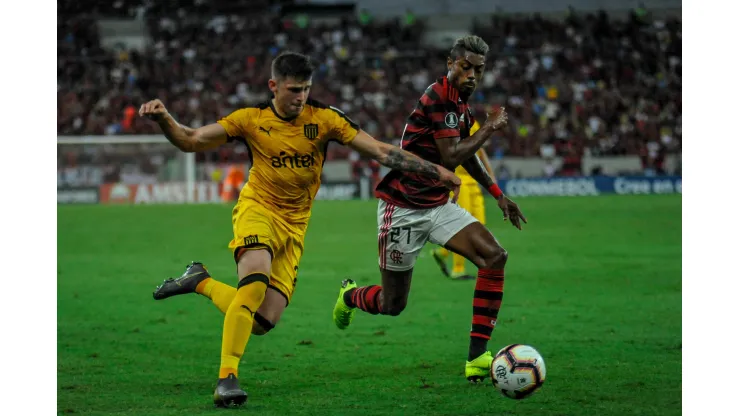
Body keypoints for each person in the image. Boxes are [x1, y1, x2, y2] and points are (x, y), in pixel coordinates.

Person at [139, 51, 461, 408]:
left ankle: (198, 280)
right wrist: (165, 119)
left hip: (295, 227)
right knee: (254, 281)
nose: (301, 96)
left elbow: (382, 151)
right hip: (257, 209)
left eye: (306, 89)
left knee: (261, 320)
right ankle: (227, 378)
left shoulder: (324, 119)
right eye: (294, 89)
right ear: (273, 86)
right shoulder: (250, 119)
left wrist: (434, 170)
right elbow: (192, 140)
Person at [331, 36, 527, 383]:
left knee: (494, 256)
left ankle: (477, 357)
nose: (471, 75)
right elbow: (451, 155)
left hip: (437, 205)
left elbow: (463, 156)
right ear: (450, 63)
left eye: (478, 70)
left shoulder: (461, 106)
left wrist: (497, 194)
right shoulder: (439, 97)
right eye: (464, 66)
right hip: (403, 208)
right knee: (393, 304)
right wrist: (491, 129)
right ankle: (350, 295)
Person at [431, 119, 495, 280]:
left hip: (473, 181)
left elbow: (480, 150)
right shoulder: (446, 120)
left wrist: (490, 174)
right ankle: (458, 269)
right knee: (462, 228)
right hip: (457, 181)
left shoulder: (472, 121)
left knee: (479, 226)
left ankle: (442, 252)